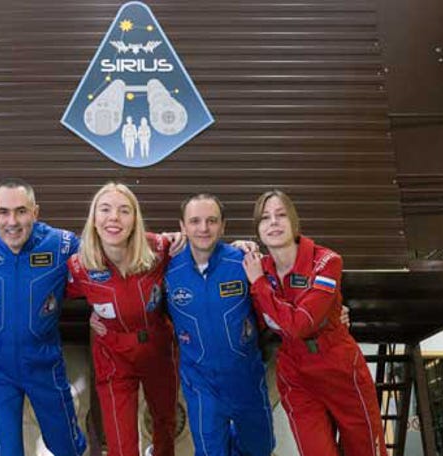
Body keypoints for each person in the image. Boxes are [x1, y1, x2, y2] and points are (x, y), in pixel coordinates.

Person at [242, 190, 386, 456]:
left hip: (339, 367)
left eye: (281, 215)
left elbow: (301, 325)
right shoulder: (258, 267)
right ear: (258, 230)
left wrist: (260, 285)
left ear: (295, 222)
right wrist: (235, 250)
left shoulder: (326, 261)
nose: (273, 222)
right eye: (265, 218)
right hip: (295, 373)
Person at [0, 178, 87, 456]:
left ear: (36, 212)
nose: (12, 221)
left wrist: (162, 242)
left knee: (66, 447)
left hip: (45, 366)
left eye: (21, 211)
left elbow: (107, 258)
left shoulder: (61, 244)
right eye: (3, 212)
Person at [66, 182, 178, 456]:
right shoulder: (79, 266)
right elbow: (49, 294)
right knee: (120, 440)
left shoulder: (159, 248)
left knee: (165, 422)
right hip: (112, 354)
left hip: (157, 348)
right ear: (94, 219)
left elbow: (201, 249)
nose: (114, 218)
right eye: (105, 209)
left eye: (123, 210)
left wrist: (241, 247)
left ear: (134, 219)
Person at [165, 193, 275, 456]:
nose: (203, 228)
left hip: (245, 378)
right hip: (201, 384)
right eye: (195, 221)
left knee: (261, 448)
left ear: (223, 226)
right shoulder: (167, 270)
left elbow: (278, 299)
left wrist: (335, 310)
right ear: (182, 226)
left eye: (211, 221)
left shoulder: (244, 262)